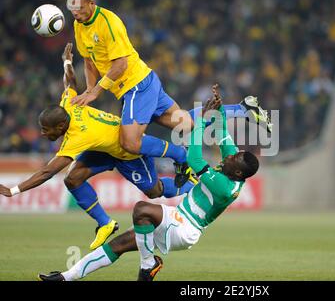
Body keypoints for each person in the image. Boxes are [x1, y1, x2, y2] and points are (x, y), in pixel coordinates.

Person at [38, 84, 260, 281]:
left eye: (233, 158)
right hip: (176, 218)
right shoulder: (235, 165)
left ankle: (148, 264)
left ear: (239, 172)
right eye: (233, 154)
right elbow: (221, 132)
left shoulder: (226, 187)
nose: (229, 156)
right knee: (119, 244)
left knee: (141, 210)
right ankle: (65, 277)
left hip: (185, 228)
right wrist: (218, 109)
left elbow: (194, 159)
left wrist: (201, 120)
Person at [66, 0, 272, 185]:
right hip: (143, 83)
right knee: (185, 124)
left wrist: (96, 92)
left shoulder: (109, 22)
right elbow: (89, 60)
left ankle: (179, 155)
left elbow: (121, 63)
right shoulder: (79, 25)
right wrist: (89, 90)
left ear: (91, 4)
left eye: (80, 8)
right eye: (72, 9)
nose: (76, 13)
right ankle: (243, 108)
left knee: (129, 142)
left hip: (136, 85)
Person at [0, 43, 196, 250]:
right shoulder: (70, 103)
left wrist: (14, 190)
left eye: (46, 130)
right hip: (103, 148)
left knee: (154, 192)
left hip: (128, 151)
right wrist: (66, 61)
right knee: (72, 179)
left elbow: (48, 172)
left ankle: (195, 185)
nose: (42, 133)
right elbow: (70, 82)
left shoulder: (77, 137)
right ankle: (106, 223)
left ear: (60, 126)